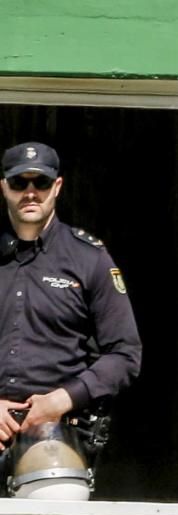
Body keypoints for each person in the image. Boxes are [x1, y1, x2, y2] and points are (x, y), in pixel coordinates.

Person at [0, 141, 142, 494]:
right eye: (19, 183)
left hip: (58, 437)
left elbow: (125, 354)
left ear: (57, 187)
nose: (30, 193)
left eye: (41, 183)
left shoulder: (89, 258)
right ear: (4, 186)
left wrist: (62, 399)